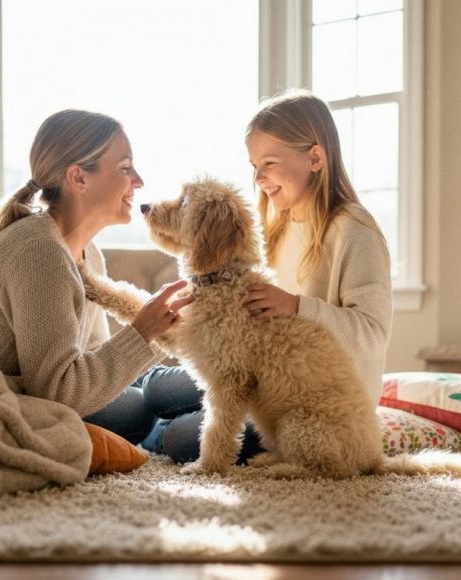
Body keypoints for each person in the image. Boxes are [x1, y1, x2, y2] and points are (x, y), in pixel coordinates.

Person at [0, 109, 192, 445]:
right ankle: (176, 432)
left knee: (152, 392)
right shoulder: (38, 250)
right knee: (136, 410)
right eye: (125, 168)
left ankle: (218, 405)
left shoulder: (89, 254)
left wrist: (156, 334)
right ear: (79, 178)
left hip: (28, 392)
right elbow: (58, 392)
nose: (139, 181)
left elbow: (93, 361)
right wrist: (143, 333)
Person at [139, 89, 393, 458]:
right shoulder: (276, 223)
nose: (258, 177)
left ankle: (153, 432)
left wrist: (296, 306)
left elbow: (372, 335)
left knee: (180, 437)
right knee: (158, 389)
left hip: (314, 401)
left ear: (316, 158)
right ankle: (148, 421)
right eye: (253, 165)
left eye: (269, 163)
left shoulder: (356, 230)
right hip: (257, 375)